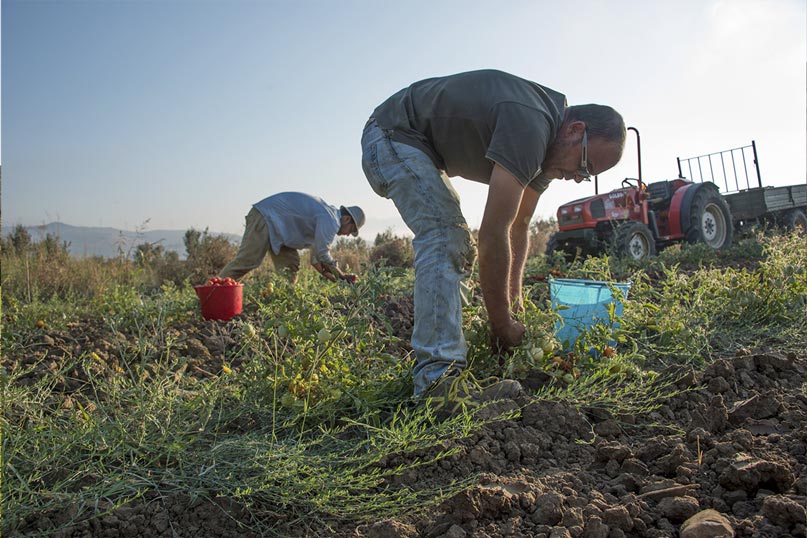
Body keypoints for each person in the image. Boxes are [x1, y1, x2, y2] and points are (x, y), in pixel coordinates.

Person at [360, 69, 626, 401]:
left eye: (585, 176)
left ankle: (444, 363)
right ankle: (437, 384)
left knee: (455, 239)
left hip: (416, 146)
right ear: (575, 130)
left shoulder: (548, 156)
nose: (576, 177)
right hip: (391, 134)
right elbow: (493, 233)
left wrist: (513, 307)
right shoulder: (532, 125)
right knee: (446, 235)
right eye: (584, 166)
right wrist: (501, 324)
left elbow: (518, 225)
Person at [220, 192, 365, 284]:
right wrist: (342, 276)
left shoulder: (325, 220)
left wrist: (337, 281)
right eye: (351, 230)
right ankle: (213, 293)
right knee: (247, 262)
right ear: (347, 219)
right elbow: (323, 254)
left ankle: (280, 307)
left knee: (290, 267)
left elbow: (316, 261)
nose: (347, 235)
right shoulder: (331, 220)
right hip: (265, 217)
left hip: (280, 230)